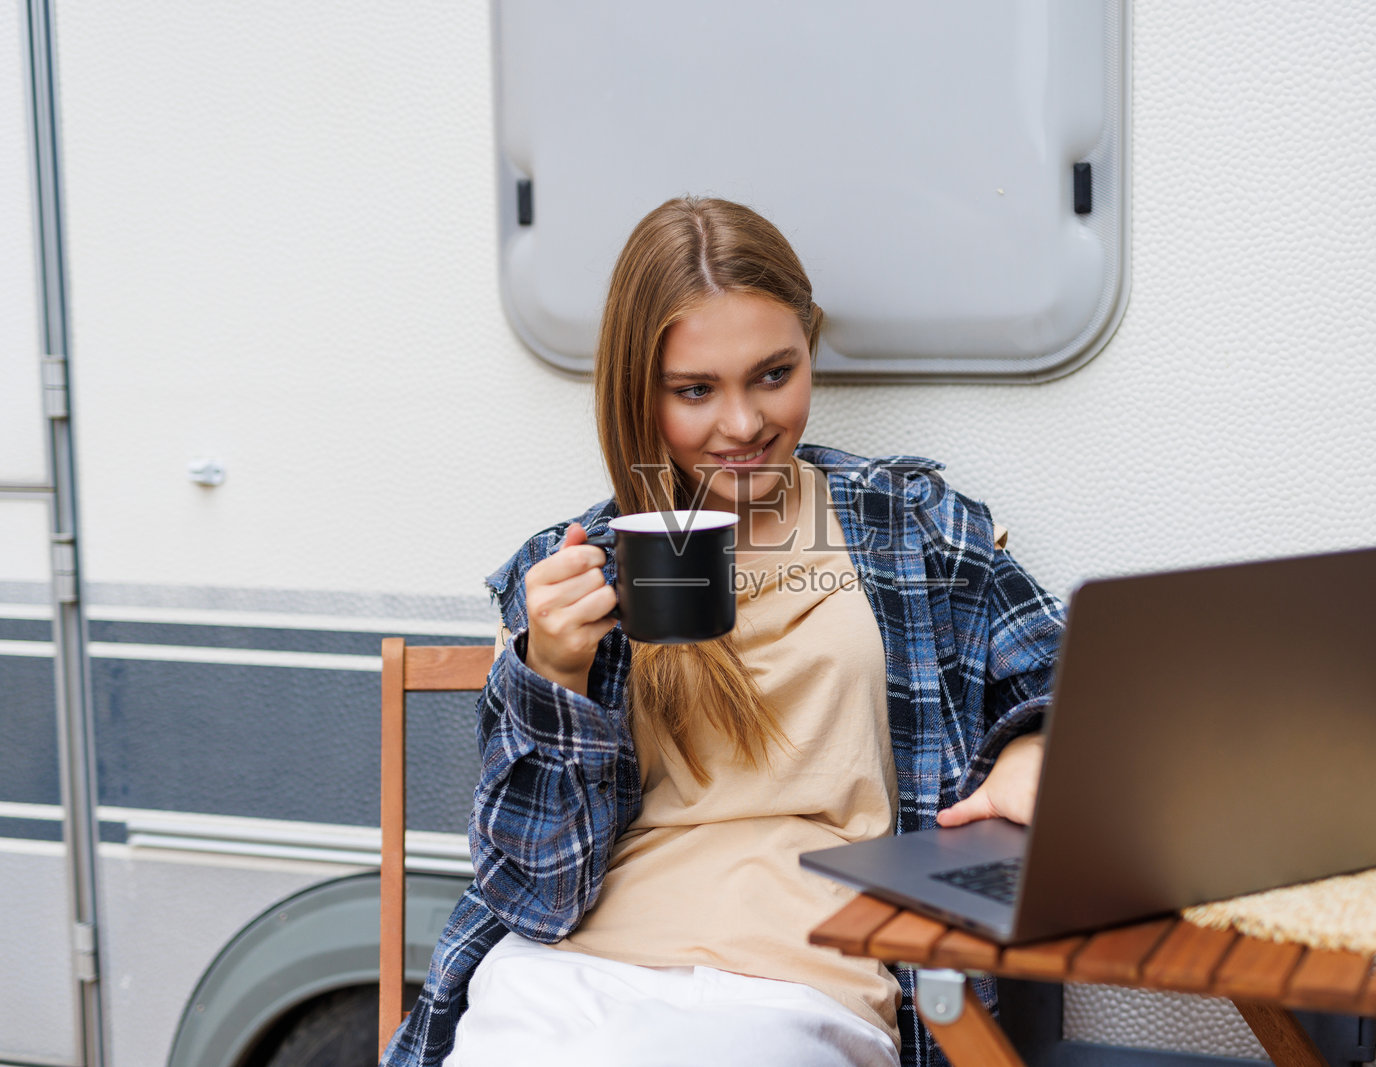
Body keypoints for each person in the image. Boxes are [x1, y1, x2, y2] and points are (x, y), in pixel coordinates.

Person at [381, 197, 1065, 1067]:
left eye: (773, 374)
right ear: (639, 390)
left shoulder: (904, 522)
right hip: (570, 973)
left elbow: (1062, 668)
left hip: (802, 982)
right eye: (696, 390)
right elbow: (536, 891)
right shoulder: (571, 568)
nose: (742, 426)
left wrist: (1029, 748)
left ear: (810, 346)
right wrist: (549, 674)